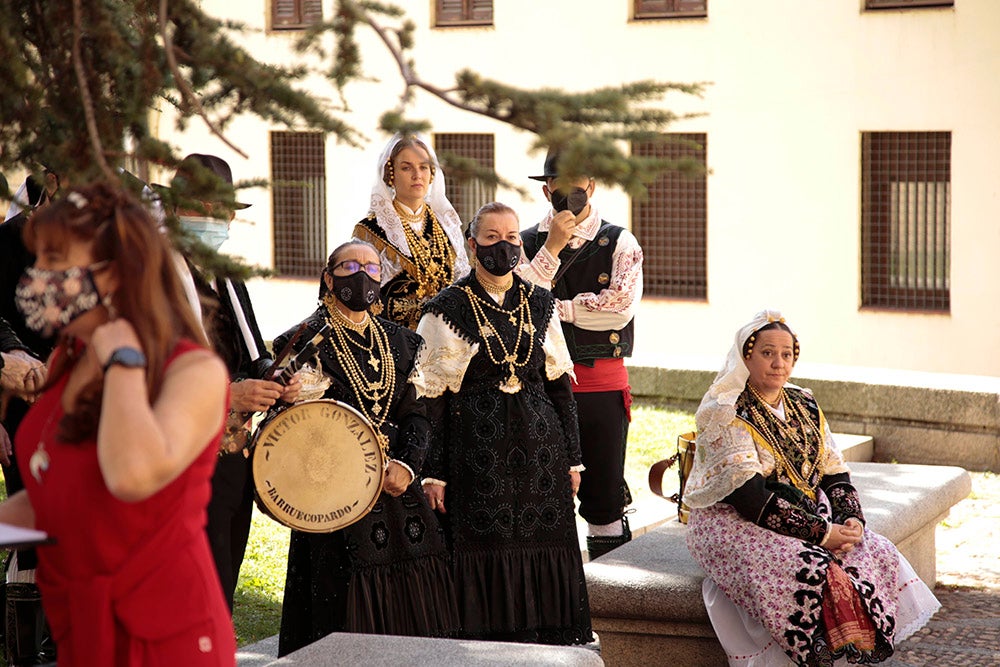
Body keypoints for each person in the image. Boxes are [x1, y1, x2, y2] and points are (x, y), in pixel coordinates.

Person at [0, 182, 236, 665]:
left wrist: (123, 356)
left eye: (54, 260)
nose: (37, 277)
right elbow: (63, 489)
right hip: (81, 627)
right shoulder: (70, 359)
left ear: (113, 272)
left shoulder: (190, 371)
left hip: (161, 636)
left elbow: (131, 476)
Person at [683, 310, 940, 666]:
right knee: (814, 569)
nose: (778, 363)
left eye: (786, 354)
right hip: (732, 520)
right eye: (767, 353)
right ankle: (820, 656)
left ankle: (853, 654)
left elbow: (833, 468)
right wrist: (821, 534)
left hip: (801, 508)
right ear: (746, 356)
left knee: (874, 549)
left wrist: (850, 519)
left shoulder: (803, 402)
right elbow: (748, 497)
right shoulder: (725, 410)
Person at [416, 202, 592, 645]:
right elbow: (431, 399)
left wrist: (573, 459)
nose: (504, 246)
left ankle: (547, 645)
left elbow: (559, 385)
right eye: (492, 237)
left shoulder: (541, 302)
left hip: (541, 451)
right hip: (475, 455)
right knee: (484, 548)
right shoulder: (445, 309)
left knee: (543, 544)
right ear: (473, 245)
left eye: (513, 237)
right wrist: (432, 472)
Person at [275, 240, 459, 655]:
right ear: (328, 278)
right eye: (349, 265)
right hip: (333, 496)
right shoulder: (299, 343)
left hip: (398, 489)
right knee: (340, 601)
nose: (362, 275)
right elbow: (288, 429)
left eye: (373, 267)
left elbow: (418, 414)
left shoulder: (405, 342)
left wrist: (408, 467)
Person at [166, 153, 301, 612]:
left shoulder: (227, 274)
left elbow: (251, 354)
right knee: (187, 585)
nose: (215, 218)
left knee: (222, 575)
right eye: (201, 206)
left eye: (223, 209)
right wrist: (228, 394)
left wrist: (277, 377)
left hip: (230, 453)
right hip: (176, 455)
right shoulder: (155, 277)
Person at [520, 150, 644, 560]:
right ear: (546, 188)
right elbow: (518, 307)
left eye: (580, 179)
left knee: (604, 494)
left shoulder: (620, 241)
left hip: (601, 385)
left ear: (592, 185)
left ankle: (612, 592)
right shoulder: (523, 243)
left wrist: (559, 309)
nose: (570, 189)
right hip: (539, 386)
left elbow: (620, 308)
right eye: (561, 181)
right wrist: (552, 247)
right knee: (542, 491)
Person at [352, 133, 470, 329]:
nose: (417, 175)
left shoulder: (446, 225)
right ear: (391, 174)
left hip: (446, 337)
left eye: (423, 167)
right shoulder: (371, 231)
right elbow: (362, 296)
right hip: (394, 341)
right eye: (406, 168)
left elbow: (462, 282)